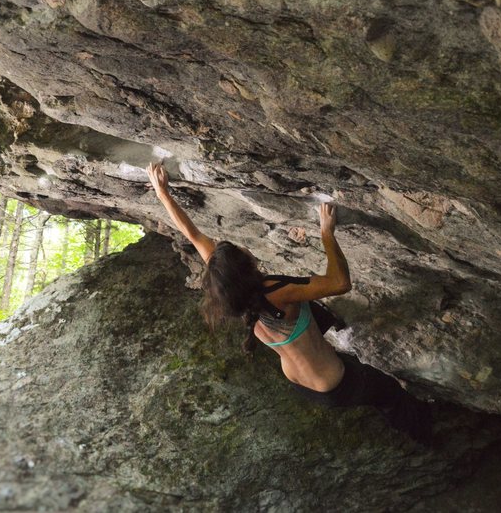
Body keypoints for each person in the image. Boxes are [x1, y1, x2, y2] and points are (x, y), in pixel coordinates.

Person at [146, 162, 432, 444]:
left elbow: (193, 235)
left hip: (303, 384)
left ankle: (342, 341)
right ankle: (424, 432)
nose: (240, 246)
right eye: (239, 250)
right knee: (392, 395)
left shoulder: (230, 291)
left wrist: (163, 194)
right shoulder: (276, 292)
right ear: (246, 267)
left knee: (321, 334)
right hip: (337, 384)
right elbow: (340, 283)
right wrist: (326, 234)